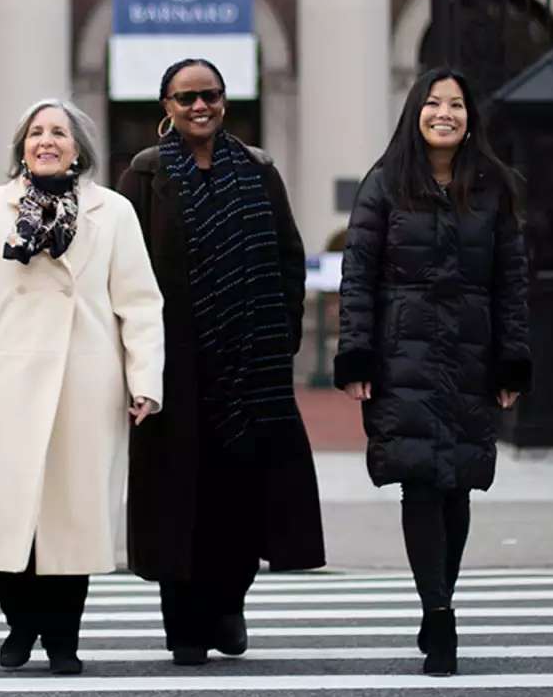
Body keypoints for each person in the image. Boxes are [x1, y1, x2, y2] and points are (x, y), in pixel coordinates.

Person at [0, 99, 164, 676]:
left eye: (58, 132)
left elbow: (139, 303)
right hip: (8, 383)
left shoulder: (111, 212)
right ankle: (20, 623)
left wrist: (144, 380)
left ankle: (63, 637)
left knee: (73, 516)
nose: (46, 141)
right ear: (21, 145)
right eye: (36, 132)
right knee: (12, 513)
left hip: (87, 383)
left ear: (78, 147)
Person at [115, 58, 325, 666]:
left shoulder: (258, 170)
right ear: (167, 107)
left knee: (241, 498)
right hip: (175, 368)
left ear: (225, 101)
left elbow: (289, 256)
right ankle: (184, 624)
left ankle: (229, 605)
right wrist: (134, 361)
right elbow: (123, 272)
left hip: (251, 366)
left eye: (208, 95)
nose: (198, 106)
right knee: (179, 500)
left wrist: (280, 336)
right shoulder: (146, 174)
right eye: (185, 98)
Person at [333, 68, 531, 677]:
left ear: (471, 117)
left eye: (456, 104)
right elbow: (359, 274)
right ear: (415, 111)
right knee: (419, 480)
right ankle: (439, 612)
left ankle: (438, 598)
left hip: (471, 350)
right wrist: (357, 354)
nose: (444, 113)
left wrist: (511, 358)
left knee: (459, 483)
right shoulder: (385, 183)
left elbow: (511, 282)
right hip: (404, 351)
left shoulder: (494, 187)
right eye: (433, 102)